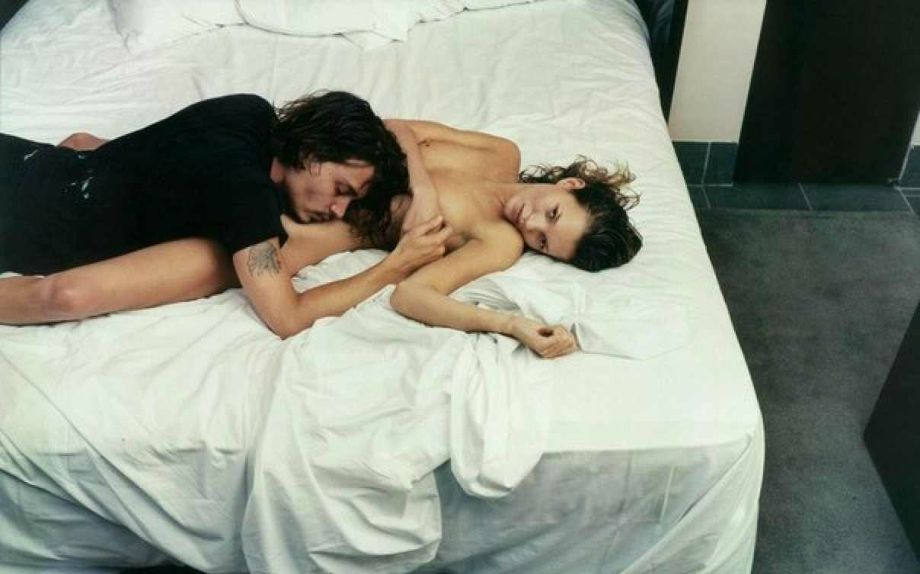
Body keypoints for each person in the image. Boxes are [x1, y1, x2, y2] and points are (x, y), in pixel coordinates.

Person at [0, 92, 451, 337]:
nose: (338, 210)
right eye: (341, 190)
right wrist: (395, 266)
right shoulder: (248, 200)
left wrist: (423, 187)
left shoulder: (248, 110)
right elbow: (287, 317)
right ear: (313, 150)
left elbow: (394, 129)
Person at [383, 122, 642, 358]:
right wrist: (423, 189)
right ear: (570, 184)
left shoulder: (500, 243)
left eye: (542, 241)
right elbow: (396, 127)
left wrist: (511, 324)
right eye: (552, 213)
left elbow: (410, 294)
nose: (531, 224)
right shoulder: (503, 153)